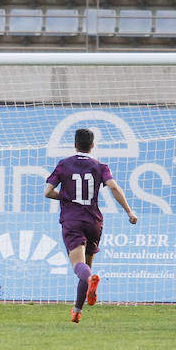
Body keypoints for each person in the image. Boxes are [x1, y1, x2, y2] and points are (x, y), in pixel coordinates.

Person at [45, 128, 138, 323]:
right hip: (94, 221)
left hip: (72, 220)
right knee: (86, 266)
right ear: (92, 146)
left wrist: (66, 197)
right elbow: (113, 187)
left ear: (75, 144)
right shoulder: (100, 166)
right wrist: (129, 211)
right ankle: (77, 311)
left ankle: (90, 282)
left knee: (79, 267)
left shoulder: (64, 164)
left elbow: (48, 192)